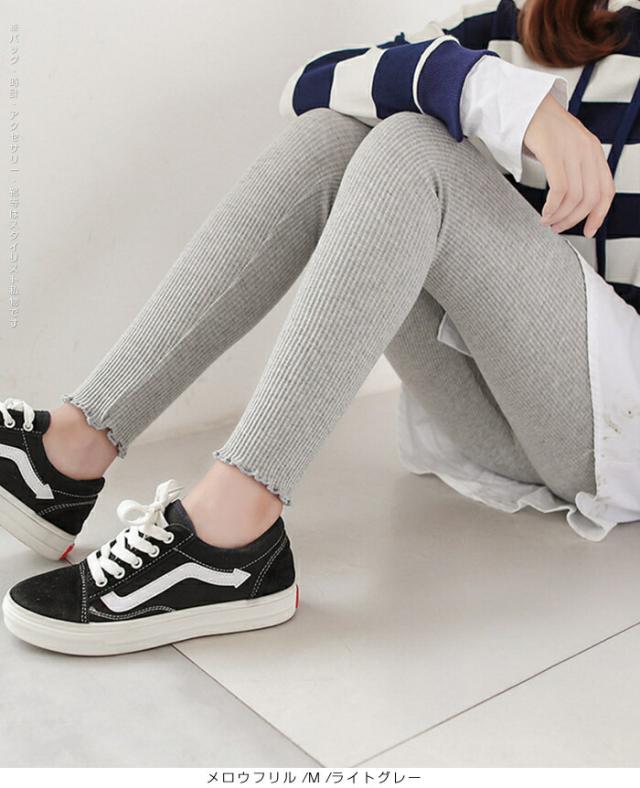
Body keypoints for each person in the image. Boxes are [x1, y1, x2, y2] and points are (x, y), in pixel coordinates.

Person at [1, 0, 638, 655]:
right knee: (337, 134)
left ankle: (230, 531)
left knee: (411, 147)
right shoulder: (516, 23)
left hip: (623, 427)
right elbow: (313, 83)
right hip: (499, 411)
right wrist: (508, 101)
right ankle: (71, 450)